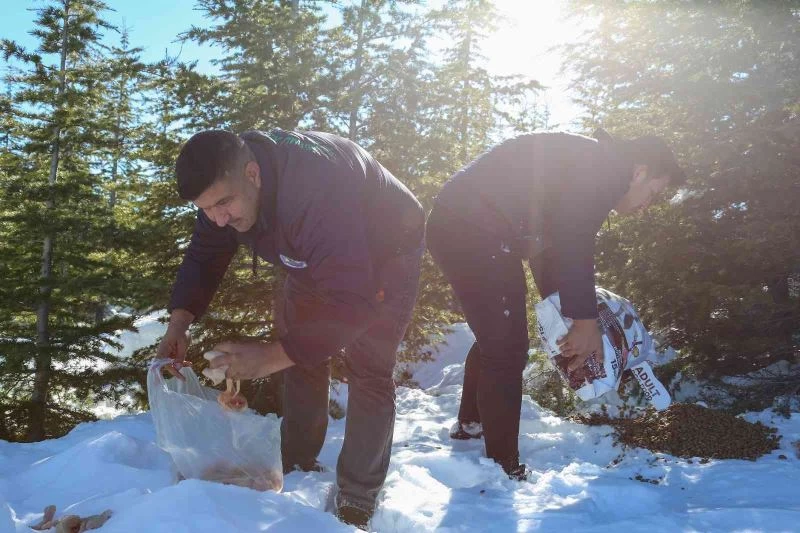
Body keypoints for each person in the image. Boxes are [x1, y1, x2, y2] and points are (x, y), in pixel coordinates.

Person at [156, 128, 425, 528]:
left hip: (386, 247)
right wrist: (180, 321)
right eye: (207, 208)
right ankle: (297, 457)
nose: (219, 218)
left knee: (368, 366)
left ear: (253, 174)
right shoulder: (223, 185)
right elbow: (206, 253)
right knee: (299, 349)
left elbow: (354, 301)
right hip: (314, 251)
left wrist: (269, 357)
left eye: (224, 204)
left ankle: (357, 496)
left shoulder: (316, 193)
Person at [425, 129, 685, 479]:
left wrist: (569, 311)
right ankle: (502, 470)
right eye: (653, 193)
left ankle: (471, 424)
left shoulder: (592, 165)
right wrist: (585, 322)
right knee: (506, 348)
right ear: (639, 172)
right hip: (469, 225)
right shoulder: (607, 169)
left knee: (499, 337)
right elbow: (574, 242)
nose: (647, 206)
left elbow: (552, 247)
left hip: (470, 224)